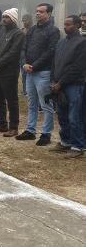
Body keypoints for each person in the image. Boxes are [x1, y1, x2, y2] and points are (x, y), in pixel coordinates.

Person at [16, 3, 60, 146]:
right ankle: (30, 130)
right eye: (36, 11)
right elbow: (24, 48)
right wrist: (24, 63)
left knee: (46, 104)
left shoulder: (53, 31)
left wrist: (34, 66)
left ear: (49, 14)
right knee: (32, 103)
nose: (37, 14)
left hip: (43, 72)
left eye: (41, 12)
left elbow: (50, 52)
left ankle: (46, 133)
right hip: (29, 72)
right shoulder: (32, 30)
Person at [50, 15, 86, 158]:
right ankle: (66, 141)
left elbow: (77, 67)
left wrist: (61, 83)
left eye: (69, 24)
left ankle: (78, 146)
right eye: (64, 24)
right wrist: (53, 80)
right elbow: (54, 63)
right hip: (59, 85)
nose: (65, 27)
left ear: (77, 25)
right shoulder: (61, 43)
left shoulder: (82, 43)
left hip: (74, 85)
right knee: (61, 114)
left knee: (74, 116)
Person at [0, 8, 25, 137]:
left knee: (12, 100)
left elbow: (13, 53)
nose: (4, 19)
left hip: (9, 71)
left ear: (13, 19)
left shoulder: (18, 34)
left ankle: (14, 127)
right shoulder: (0, 32)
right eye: (3, 17)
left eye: (7, 17)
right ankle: (2, 125)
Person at [20, 13, 33, 95]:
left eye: (26, 20)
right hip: (22, 55)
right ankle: (25, 90)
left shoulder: (34, 30)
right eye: (23, 20)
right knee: (23, 74)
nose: (24, 22)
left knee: (30, 73)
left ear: (31, 20)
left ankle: (30, 90)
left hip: (31, 55)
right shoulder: (21, 31)